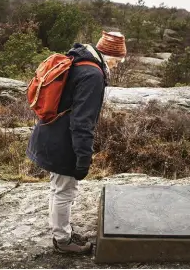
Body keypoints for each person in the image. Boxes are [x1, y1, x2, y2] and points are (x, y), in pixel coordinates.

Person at [26, 31, 127, 254]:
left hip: (50, 133)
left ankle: (61, 232)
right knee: (64, 191)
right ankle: (63, 241)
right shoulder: (93, 75)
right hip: (64, 142)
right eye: (118, 60)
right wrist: (83, 156)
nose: (118, 65)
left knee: (57, 188)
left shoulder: (79, 60)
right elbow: (83, 122)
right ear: (108, 55)